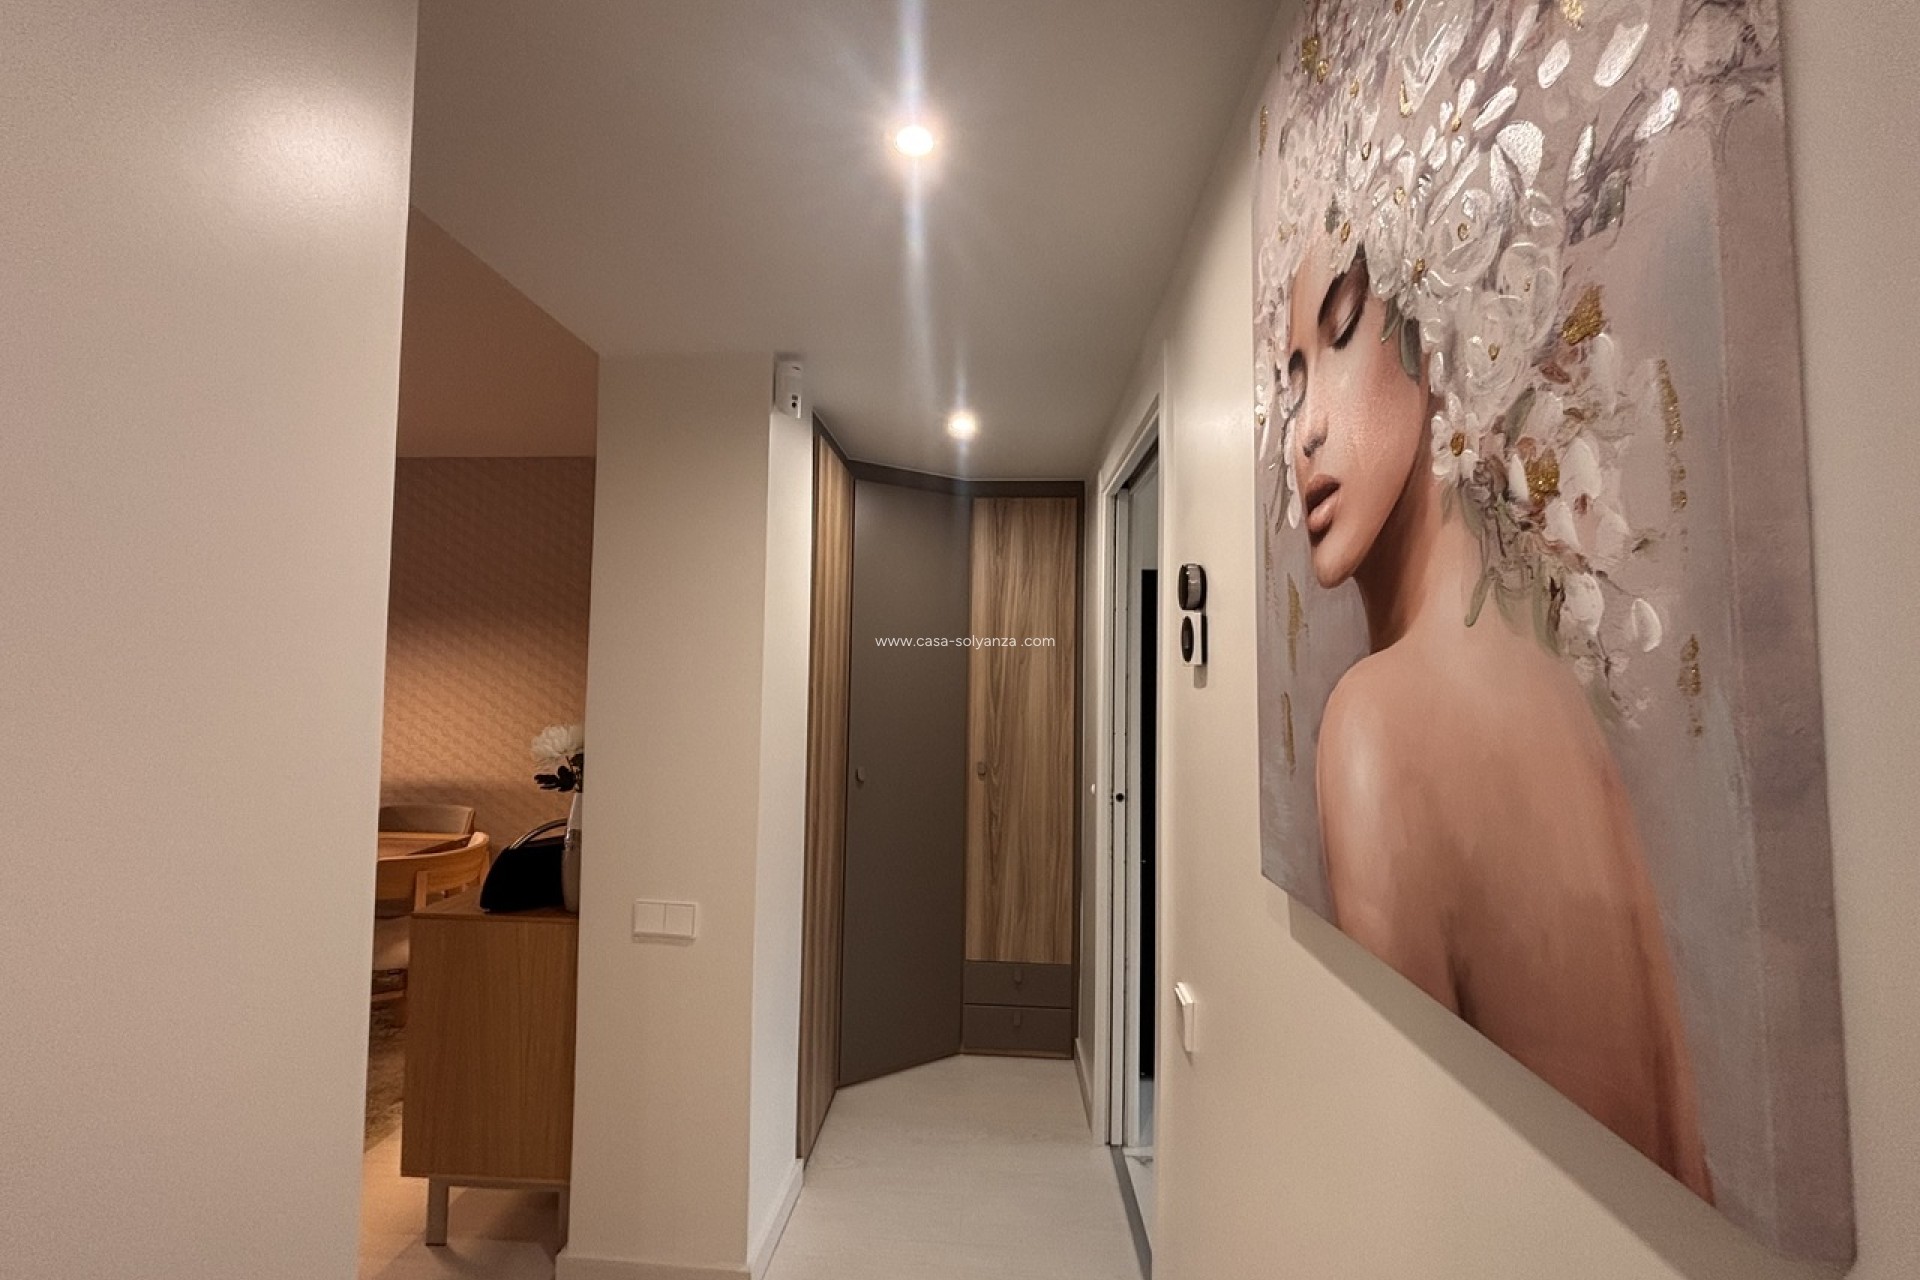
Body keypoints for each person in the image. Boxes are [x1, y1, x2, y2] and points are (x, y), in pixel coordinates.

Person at [1278, 236, 1711, 1199]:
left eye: (1342, 337)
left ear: (1446, 340)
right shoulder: (1554, 703)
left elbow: (1411, 1200)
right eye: (1291, 382)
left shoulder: (1378, 728)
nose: (1303, 431)